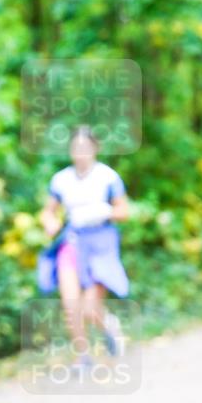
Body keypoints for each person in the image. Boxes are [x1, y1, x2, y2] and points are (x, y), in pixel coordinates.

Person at [38, 126, 130, 371]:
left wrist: (104, 211)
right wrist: (50, 223)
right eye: (76, 148)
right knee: (71, 303)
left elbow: (124, 211)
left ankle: (109, 325)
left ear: (95, 149)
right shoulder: (61, 180)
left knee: (90, 307)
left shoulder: (108, 177)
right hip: (71, 241)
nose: (80, 153)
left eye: (85, 147)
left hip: (100, 243)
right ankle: (82, 356)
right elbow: (48, 212)